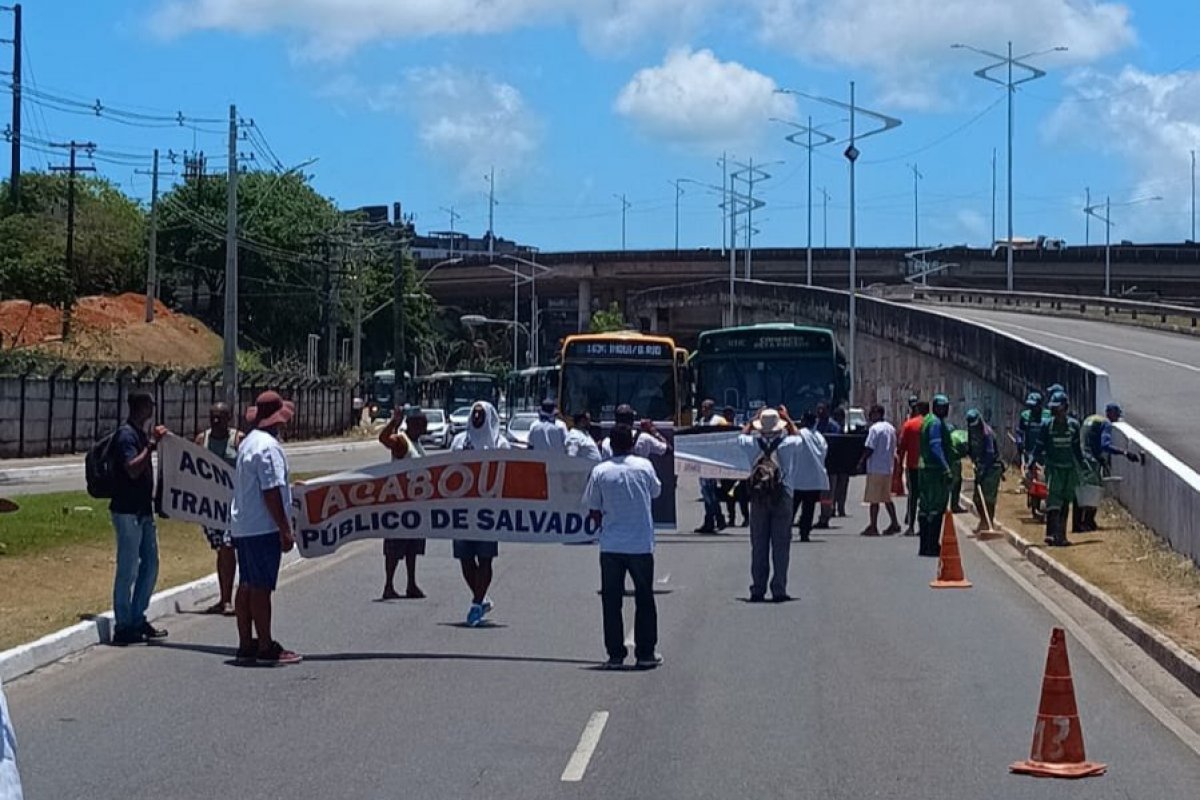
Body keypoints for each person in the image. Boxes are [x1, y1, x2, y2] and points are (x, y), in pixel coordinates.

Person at [583, 424, 663, 669]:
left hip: (611, 544)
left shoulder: (600, 471)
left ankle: (616, 654)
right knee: (644, 598)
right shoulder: (644, 466)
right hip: (640, 543)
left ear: (611, 446)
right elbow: (656, 492)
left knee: (611, 600)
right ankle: (645, 653)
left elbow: (593, 507)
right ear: (631, 444)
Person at [230, 390, 301, 666]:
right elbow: (270, 490)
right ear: (278, 420)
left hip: (244, 525)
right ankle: (265, 645)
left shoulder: (248, 443)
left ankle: (246, 642)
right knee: (261, 587)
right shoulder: (269, 448)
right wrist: (285, 529)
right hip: (262, 527)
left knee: (246, 583)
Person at [739, 406, 827, 600]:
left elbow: (741, 436)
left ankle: (757, 588)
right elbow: (798, 437)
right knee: (781, 545)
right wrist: (787, 418)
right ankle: (778, 588)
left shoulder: (752, 443)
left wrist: (753, 418)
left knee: (759, 544)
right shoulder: (788, 443)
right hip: (783, 494)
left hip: (759, 496)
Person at [108, 391, 169, 645]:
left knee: (151, 564)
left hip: (144, 511)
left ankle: (137, 616)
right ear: (140, 406)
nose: (153, 408)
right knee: (128, 568)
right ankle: (123, 625)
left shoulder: (140, 435)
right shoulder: (126, 436)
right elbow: (132, 469)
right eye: (150, 404)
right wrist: (151, 446)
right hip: (127, 511)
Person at [450, 401, 510, 626]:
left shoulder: (500, 443)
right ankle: (481, 597)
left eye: (480, 414)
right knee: (465, 559)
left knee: (485, 558)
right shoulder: (459, 441)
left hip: (488, 512)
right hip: (462, 511)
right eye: (474, 414)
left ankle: (476, 603)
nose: (476, 417)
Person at [195, 402, 242, 616]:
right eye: (212, 417)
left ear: (229, 418)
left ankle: (228, 600)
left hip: (233, 505)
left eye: (220, 417)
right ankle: (224, 597)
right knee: (220, 550)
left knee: (227, 547)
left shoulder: (238, 440)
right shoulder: (201, 440)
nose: (215, 422)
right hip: (210, 507)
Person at [378, 407, 429, 600]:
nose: (426, 428)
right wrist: (394, 422)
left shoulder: (417, 443)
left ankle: (411, 584)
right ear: (414, 424)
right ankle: (388, 584)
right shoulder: (402, 441)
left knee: (412, 547)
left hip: (415, 503)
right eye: (423, 424)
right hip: (399, 503)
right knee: (395, 546)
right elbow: (383, 439)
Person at [1033, 391, 1086, 547]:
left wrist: (1082, 466)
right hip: (1054, 468)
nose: (1055, 412)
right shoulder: (1046, 425)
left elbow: (1076, 449)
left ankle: (1061, 536)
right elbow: (1039, 446)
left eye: (1058, 408)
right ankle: (1050, 534)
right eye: (1053, 409)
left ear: (1065, 408)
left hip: (1069, 469)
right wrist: (1031, 461)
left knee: (1065, 502)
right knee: (1053, 501)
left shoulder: (1074, 426)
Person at [1078, 402, 1140, 531]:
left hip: (1080, 458)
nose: (1116, 419)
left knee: (1082, 490)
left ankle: (1079, 522)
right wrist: (1125, 453)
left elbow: (1089, 441)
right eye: (1116, 415)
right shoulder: (1105, 424)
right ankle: (1088, 522)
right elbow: (1105, 445)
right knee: (1094, 490)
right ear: (1111, 414)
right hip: (1090, 461)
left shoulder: (1092, 418)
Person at [916, 394, 954, 557]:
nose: (946, 410)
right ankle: (931, 545)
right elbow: (936, 446)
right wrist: (946, 468)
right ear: (937, 407)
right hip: (934, 471)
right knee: (936, 507)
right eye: (943, 407)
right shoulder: (936, 423)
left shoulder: (927, 420)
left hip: (924, 467)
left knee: (924, 507)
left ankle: (925, 546)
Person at [857, 404, 901, 536]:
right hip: (887, 468)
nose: (870, 416)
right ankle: (894, 523)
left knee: (874, 499)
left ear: (878, 414)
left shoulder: (874, 429)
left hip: (875, 467)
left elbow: (870, 448)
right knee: (886, 498)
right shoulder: (891, 428)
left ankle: (873, 526)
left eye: (872, 413)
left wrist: (861, 462)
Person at [965, 409, 1003, 533]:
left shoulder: (987, 433)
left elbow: (990, 454)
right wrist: (975, 462)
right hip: (980, 466)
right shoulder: (971, 432)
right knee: (977, 498)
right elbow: (970, 448)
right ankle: (983, 520)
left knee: (989, 498)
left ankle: (988, 522)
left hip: (992, 468)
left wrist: (983, 469)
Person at [695, 399, 729, 534]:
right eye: (702, 407)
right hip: (703, 459)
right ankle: (710, 521)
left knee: (711, 492)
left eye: (706, 407)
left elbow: (727, 437)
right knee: (706, 492)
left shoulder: (719, 421)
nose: (704, 410)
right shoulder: (701, 421)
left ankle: (718, 519)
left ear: (712, 409)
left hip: (714, 460)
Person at [896, 400, 928, 537]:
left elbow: (902, 447)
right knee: (926, 497)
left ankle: (911, 526)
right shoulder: (931, 424)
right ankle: (924, 527)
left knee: (913, 496)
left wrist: (899, 467)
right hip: (928, 467)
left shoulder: (909, 425)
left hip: (913, 465)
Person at [601, 404, 670, 459]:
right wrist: (652, 430)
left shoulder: (606, 443)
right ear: (632, 420)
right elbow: (668, 449)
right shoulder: (644, 438)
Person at [813, 403, 842, 528]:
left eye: (822, 410)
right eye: (818, 410)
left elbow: (835, 442)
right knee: (818, 493)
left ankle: (825, 516)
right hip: (818, 464)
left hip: (831, 464)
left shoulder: (833, 426)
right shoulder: (816, 425)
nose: (820, 413)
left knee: (828, 493)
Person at [719, 404, 748, 528]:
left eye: (730, 414)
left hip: (739, 466)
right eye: (726, 414)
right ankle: (731, 518)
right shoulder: (720, 430)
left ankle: (746, 518)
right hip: (726, 466)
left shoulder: (740, 428)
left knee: (742, 496)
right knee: (729, 496)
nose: (728, 416)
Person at [948, 425, 970, 513]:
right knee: (956, 484)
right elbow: (963, 452)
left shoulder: (945, 438)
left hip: (947, 463)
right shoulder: (956, 439)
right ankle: (954, 505)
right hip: (954, 463)